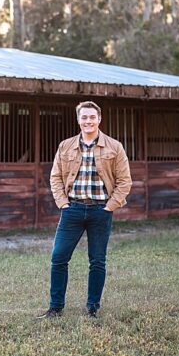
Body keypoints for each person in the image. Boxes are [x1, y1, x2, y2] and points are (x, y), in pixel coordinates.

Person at [37, 101, 132, 319]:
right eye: (84, 117)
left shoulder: (114, 147)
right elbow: (55, 178)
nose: (88, 121)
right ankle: (55, 308)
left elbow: (125, 181)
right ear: (78, 120)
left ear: (99, 119)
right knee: (59, 257)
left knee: (97, 260)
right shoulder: (65, 146)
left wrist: (110, 206)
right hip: (72, 210)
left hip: (101, 210)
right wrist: (63, 204)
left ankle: (92, 308)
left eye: (92, 117)